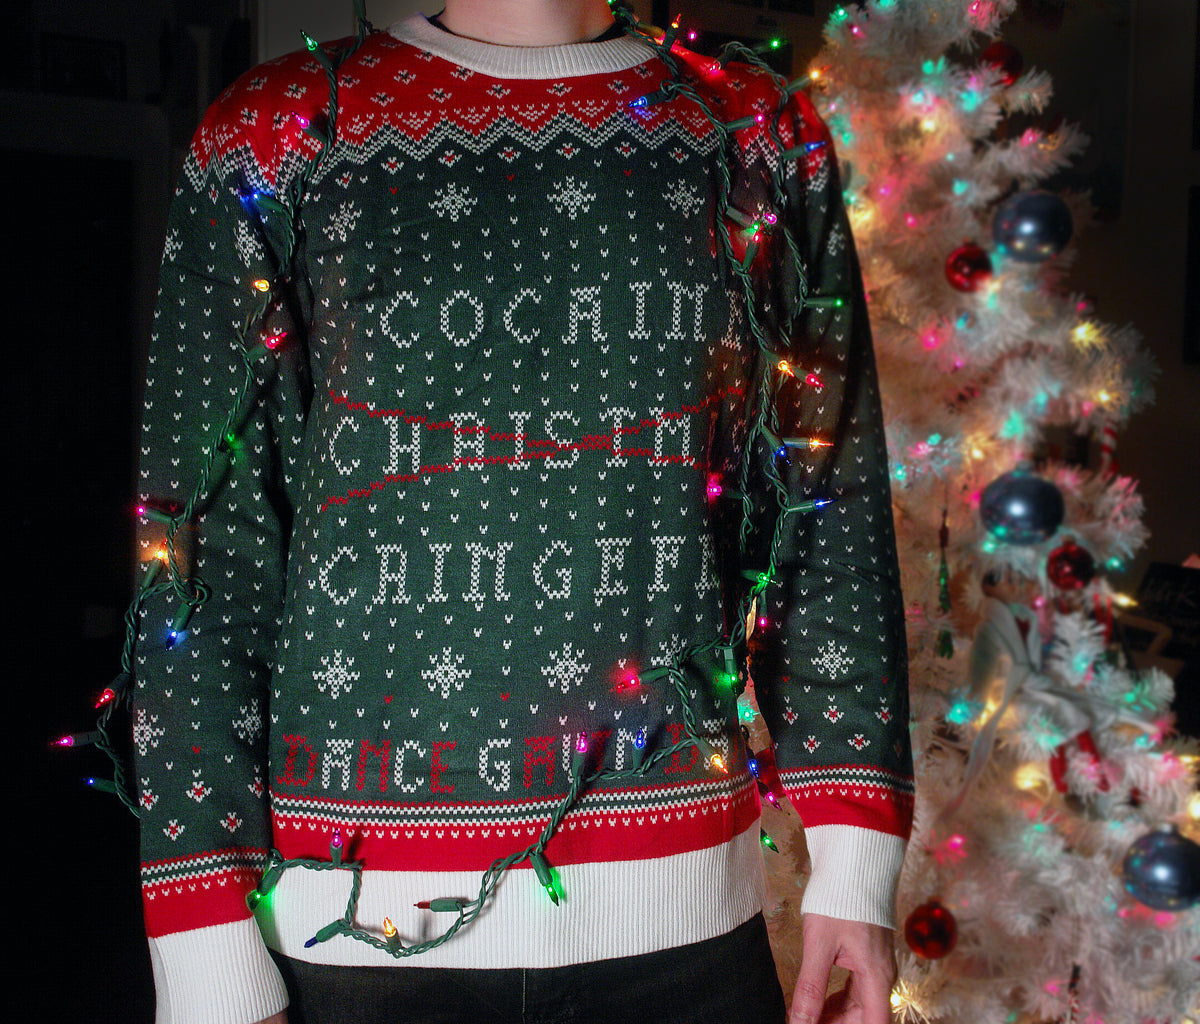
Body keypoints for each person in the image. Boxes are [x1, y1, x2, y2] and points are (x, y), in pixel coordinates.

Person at [131, 2, 913, 1022]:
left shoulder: (754, 132)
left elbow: (822, 514)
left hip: (685, 936)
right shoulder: (280, 132)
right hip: (349, 938)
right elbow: (200, 552)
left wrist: (855, 870)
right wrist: (205, 958)